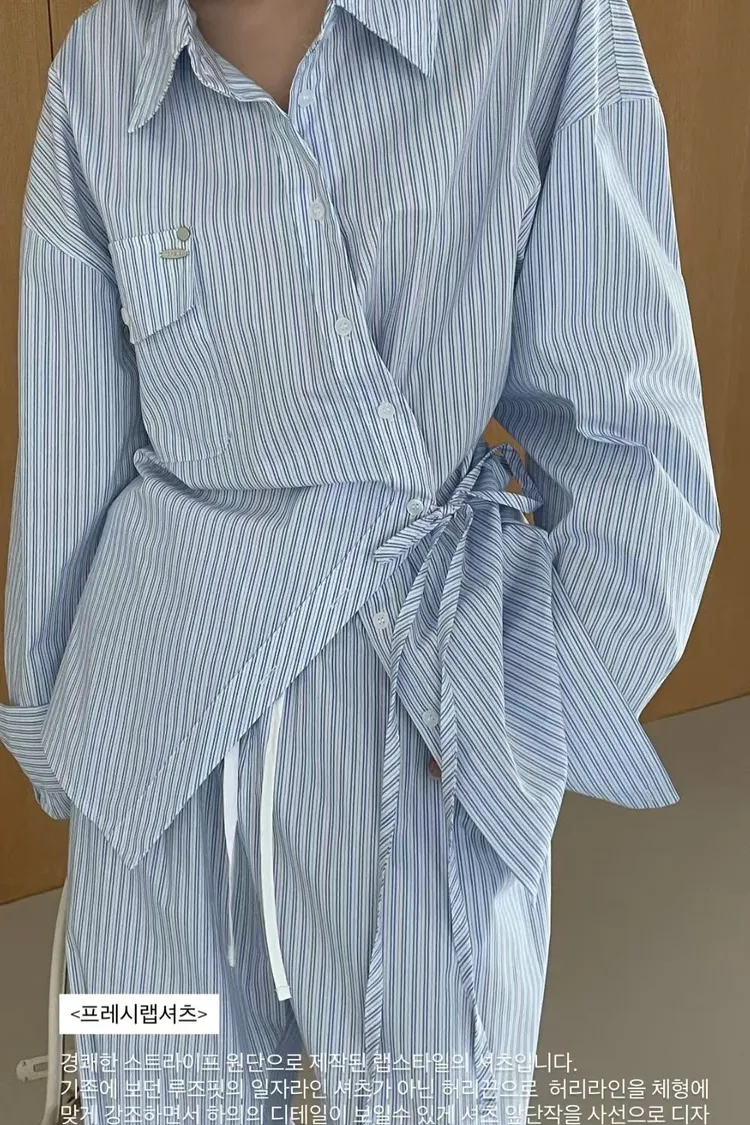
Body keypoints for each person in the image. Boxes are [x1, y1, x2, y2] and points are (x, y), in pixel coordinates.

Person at [0, 0, 721, 1122]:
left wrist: (516, 714)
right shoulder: (101, 70)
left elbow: (634, 450)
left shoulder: (539, 23)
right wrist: (67, 739)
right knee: (153, 1087)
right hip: (159, 738)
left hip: (416, 714)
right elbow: (68, 453)